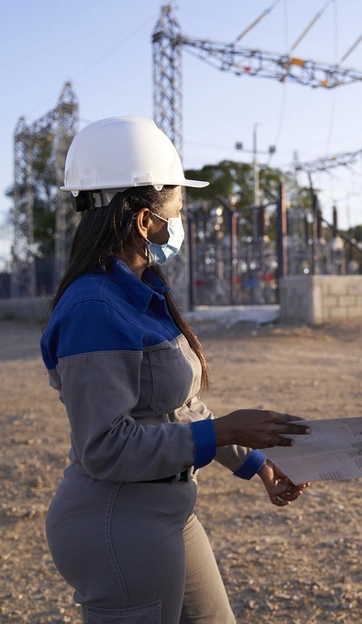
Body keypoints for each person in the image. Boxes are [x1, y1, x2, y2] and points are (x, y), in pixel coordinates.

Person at [40, 116, 311, 624]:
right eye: (178, 211)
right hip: (118, 523)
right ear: (146, 221)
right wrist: (224, 429)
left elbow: (178, 409)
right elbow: (105, 447)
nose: (180, 224)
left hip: (166, 508)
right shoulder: (93, 309)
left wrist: (256, 463)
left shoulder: (139, 294)